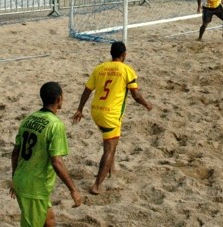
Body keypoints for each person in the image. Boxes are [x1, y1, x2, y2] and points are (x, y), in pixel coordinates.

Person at [73, 41, 153, 195]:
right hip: (110, 114)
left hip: (95, 110)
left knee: (110, 140)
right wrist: (147, 104)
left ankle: (112, 169)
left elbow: (87, 90)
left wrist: (80, 109)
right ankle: (97, 185)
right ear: (124, 55)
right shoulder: (127, 70)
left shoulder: (100, 68)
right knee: (110, 147)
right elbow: (136, 95)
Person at [10, 82, 82, 227]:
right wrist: (73, 190)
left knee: (49, 222)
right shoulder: (55, 124)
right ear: (59, 99)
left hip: (24, 180)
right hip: (35, 187)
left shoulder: (28, 119)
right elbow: (57, 162)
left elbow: (15, 153)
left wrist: (15, 178)